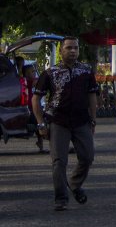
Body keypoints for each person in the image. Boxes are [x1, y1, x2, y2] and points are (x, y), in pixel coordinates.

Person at [31, 36, 99, 211]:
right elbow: (36, 98)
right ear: (61, 50)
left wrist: (93, 119)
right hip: (58, 121)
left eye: (75, 48)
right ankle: (61, 198)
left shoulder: (85, 71)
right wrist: (40, 124)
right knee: (59, 161)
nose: (73, 51)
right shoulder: (50, 72)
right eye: (69, 48)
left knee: (87, 156)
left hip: (81, 120)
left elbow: (92, 95)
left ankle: (75, 184)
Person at [19, 61, 47, 153]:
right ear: (26, 74)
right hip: (29, 108)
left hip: (32, 107)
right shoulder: (27, 81)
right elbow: (37, 81)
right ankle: (41, 142)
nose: (33, 73)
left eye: (34, 71)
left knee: (39, 121)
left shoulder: (27, 80)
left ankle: (40, 143)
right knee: (39, 121)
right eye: (31, 72)